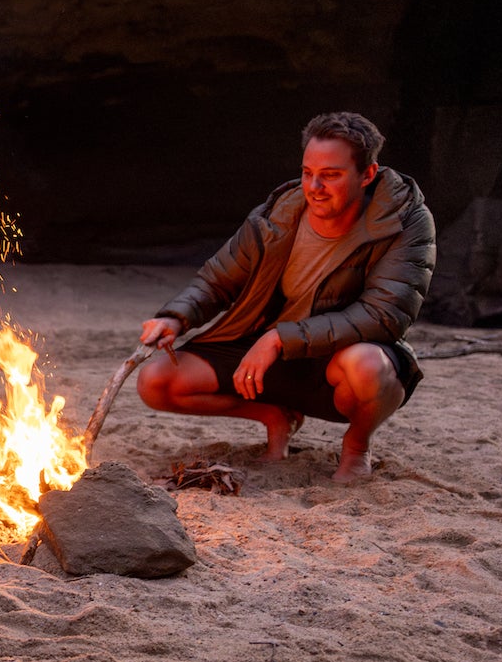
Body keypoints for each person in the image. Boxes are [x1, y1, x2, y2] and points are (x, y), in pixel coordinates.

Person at [134, 112, 435, 482]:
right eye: (308, 172)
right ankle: (275, 415)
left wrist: (280, 339)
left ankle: (357, 447)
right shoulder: (280, 212)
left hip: (337, 360)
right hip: (266, 349)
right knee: (156, 382)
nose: (314, 186)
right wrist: (175, 317)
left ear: (367, 175)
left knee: (369, 367)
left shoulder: (405, 220)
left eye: (331, 175)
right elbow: (219, 279)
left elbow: (384, 315)